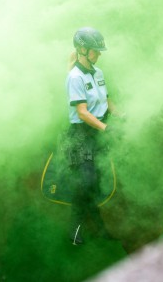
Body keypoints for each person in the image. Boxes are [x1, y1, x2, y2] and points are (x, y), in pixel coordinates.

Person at [64, 27, 122, 245]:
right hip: (82, 135)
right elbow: (82, 112)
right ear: (82, 49)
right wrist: (106, 128)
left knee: (109, 178)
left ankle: (101, 225)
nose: (99, 54)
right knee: (87, 181)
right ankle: (75, 228)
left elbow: (107, 100)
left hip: (101, 129)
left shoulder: (98, 73)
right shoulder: (75, 77)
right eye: (95, 51)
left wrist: (120, 115)